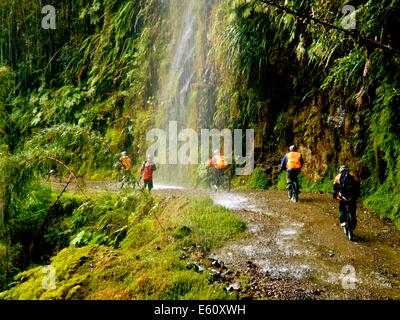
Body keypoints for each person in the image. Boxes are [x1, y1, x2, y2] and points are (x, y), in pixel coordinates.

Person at [333, 165, 360, 232]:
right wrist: (357, 195)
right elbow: (358, 184)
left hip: (343, 197)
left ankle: (343, 221)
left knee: (342, 209)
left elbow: (334, 188)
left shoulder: (338, 176)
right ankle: (353, 223)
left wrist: (335, 196)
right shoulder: (353, 175)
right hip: (352, 197)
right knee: (353, 211)